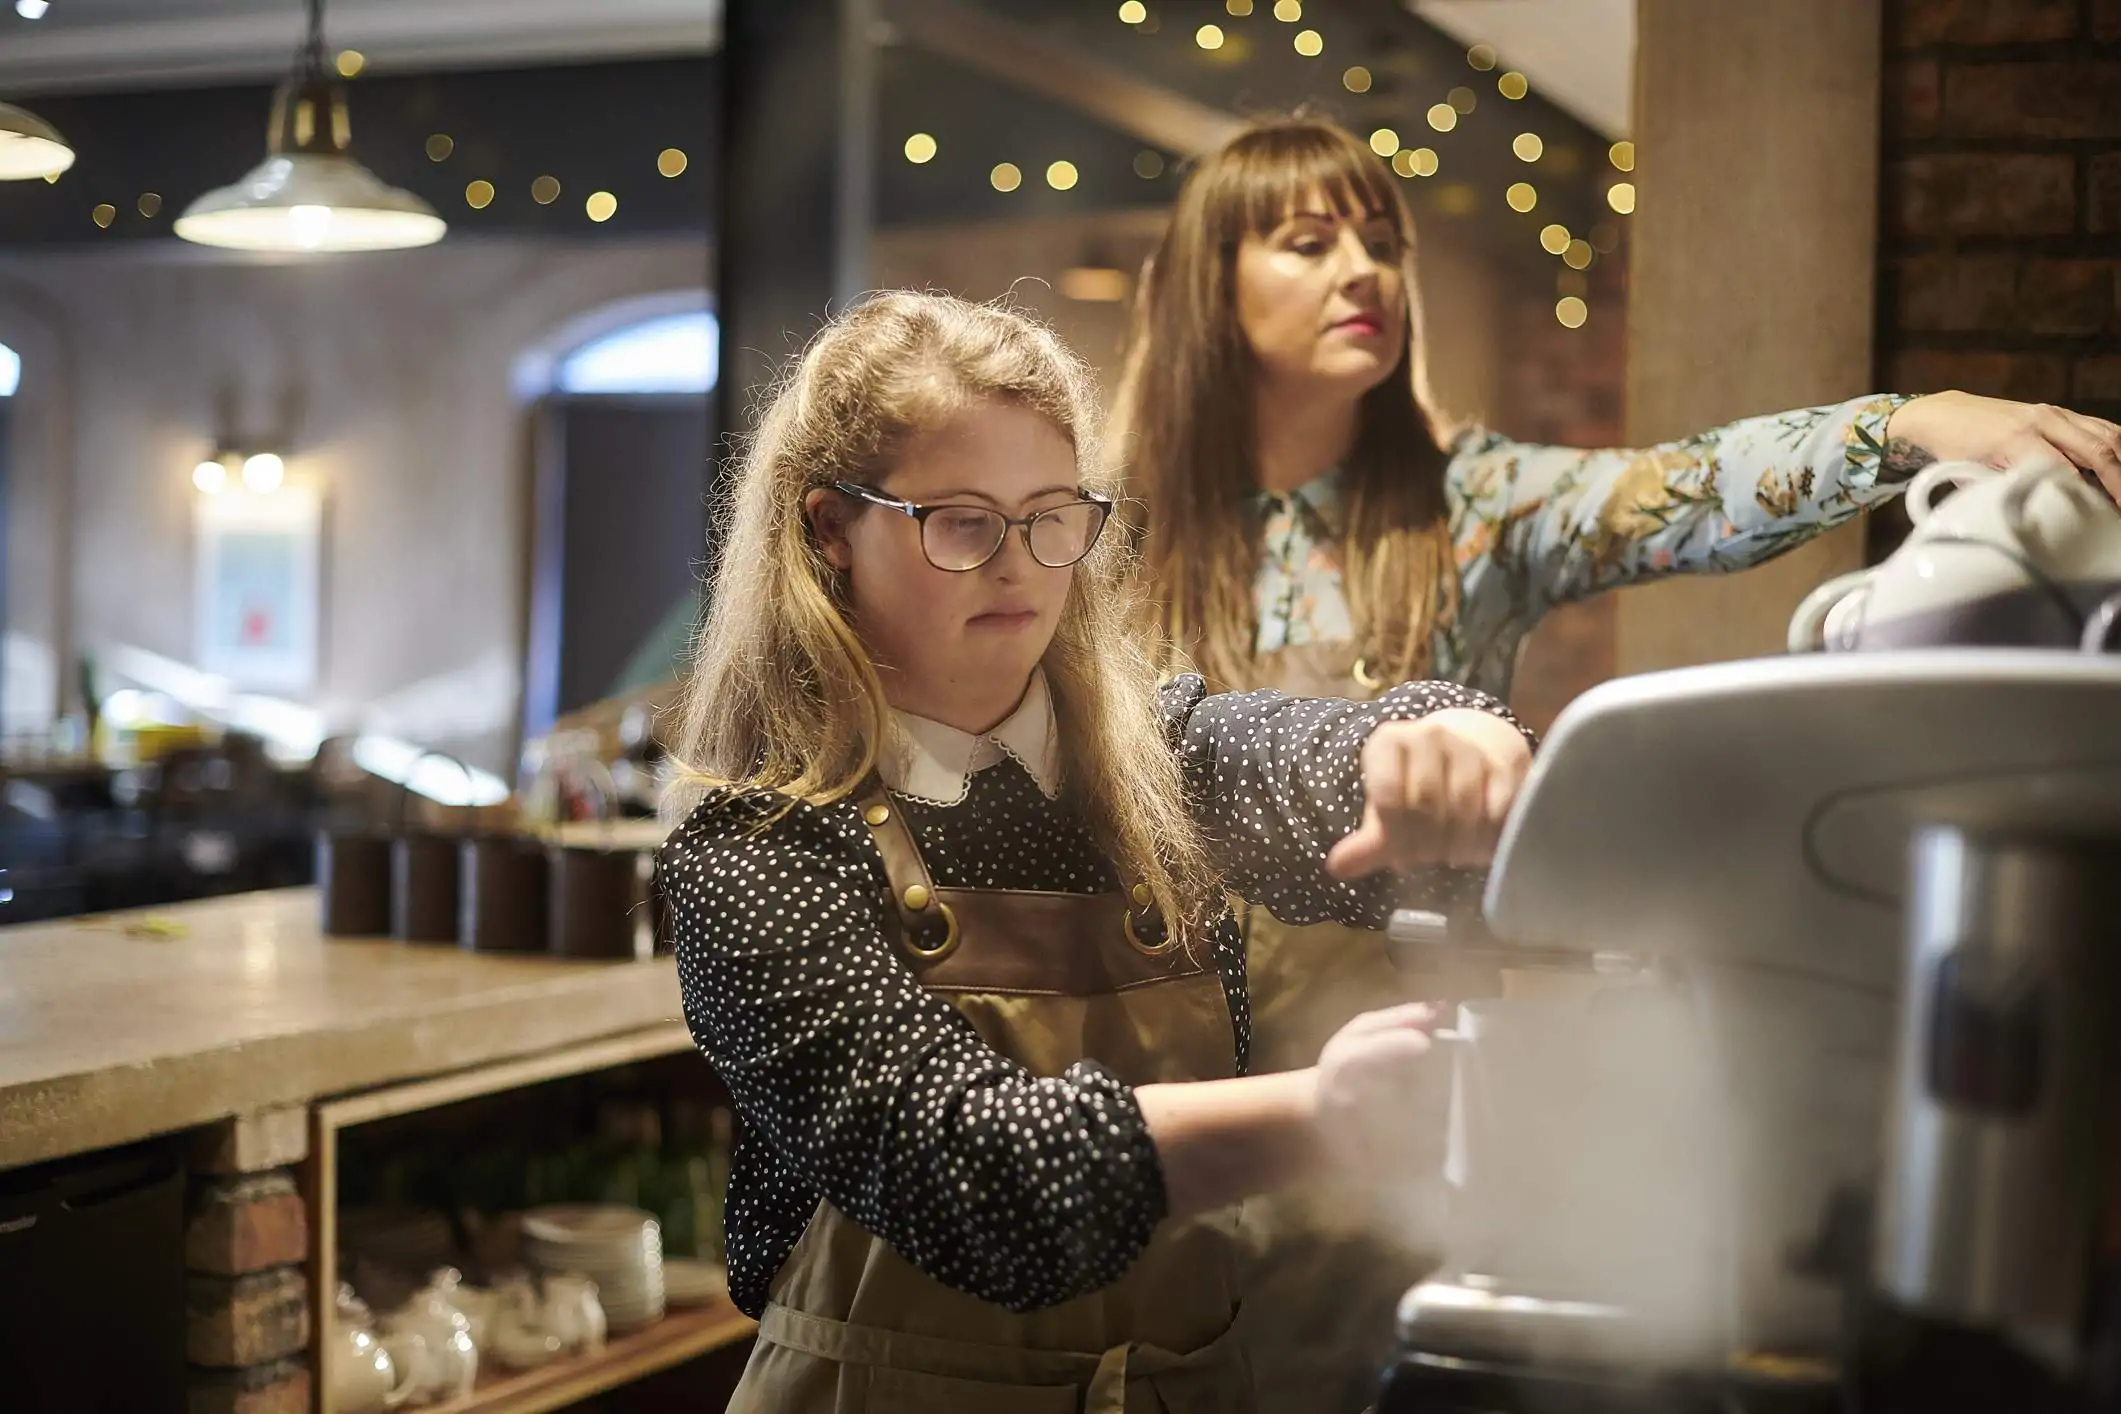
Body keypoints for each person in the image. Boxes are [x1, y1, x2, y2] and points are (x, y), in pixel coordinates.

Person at [1108, 114, 2121, 1414]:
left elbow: (1687, 486)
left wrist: (1912, 424)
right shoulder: (1108, 525)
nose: (1364, 270)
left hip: (1402, 1091)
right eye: (1309, 243)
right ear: (1209, 284)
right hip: (1171, 1080)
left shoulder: (1473, 503)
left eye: (1381, 240)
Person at [657, 290, 1540, 1413]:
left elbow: (1317, 753)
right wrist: (1319, 1117)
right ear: (832, 527)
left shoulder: (1154, 771)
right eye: (963, 520)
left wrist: (1452, 737)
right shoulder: (760, 851)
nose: (1020, 566)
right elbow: (963, 1169)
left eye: (1053, 515)